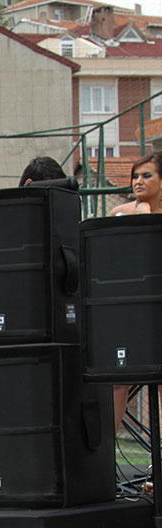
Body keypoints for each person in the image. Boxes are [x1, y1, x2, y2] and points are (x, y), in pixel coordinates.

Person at [108, 152, 162, 437]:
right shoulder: (121, 213)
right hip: (130, 310)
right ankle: (105, 456)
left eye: (147, 175)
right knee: (119, 380)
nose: (138, 181)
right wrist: (139, 212)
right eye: (135, 176)